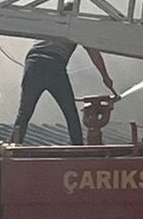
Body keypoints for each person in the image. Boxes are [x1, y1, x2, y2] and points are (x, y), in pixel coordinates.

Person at [9, 17, 117, 145]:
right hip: (54, 65)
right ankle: (79, 149)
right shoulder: (76, 27)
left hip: (33, 64)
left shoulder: (49, 22)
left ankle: (12, 147)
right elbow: (93, 53)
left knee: (24, 112)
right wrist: (105, 76)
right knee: (70, 113)